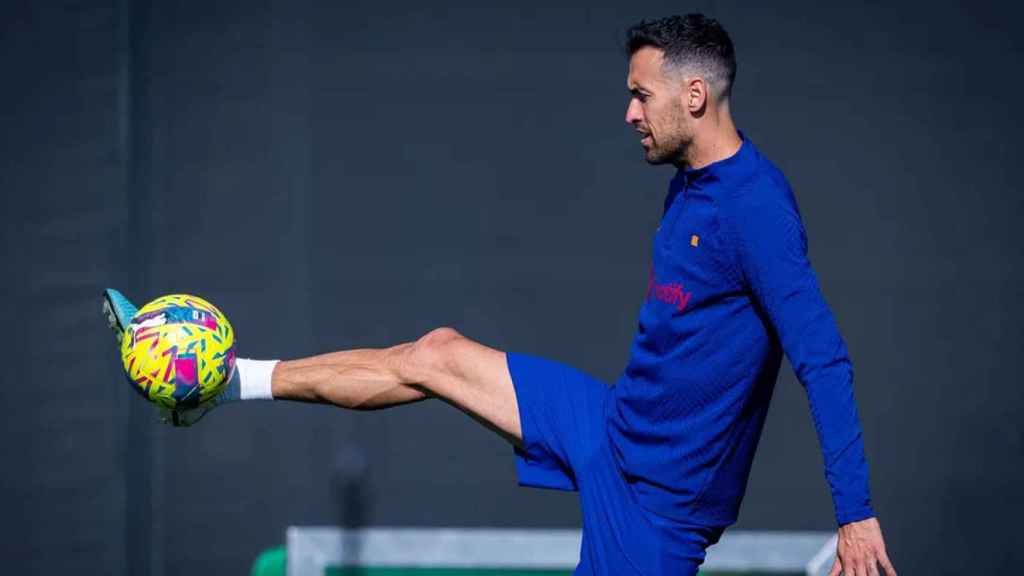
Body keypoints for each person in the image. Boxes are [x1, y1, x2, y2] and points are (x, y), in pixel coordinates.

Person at [104, 14, 895, 576]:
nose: (628, 112)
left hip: (658, 510)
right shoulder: (690, 181)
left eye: (641, 95)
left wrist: (854, 514)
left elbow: (822, 359)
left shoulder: (755, 207)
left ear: (695, 96)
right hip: (615, 427)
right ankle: (226, 380)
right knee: (436, 355)